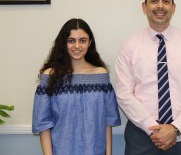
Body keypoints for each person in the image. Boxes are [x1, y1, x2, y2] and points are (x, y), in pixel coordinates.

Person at [115, 0, 181, 154]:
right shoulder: (130, 45)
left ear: (173, 7)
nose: (160, 6)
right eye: (154, 1)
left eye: (166, 1)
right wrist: (151, 128)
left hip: (180, 133)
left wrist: (175, 127)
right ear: (144, 7)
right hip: (141, 133)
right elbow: (124, 93)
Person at [32, 18, 121, 155]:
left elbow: (107, 121)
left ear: (89, 42)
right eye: (71, 40)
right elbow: (44, 124)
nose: (77, 46)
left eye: (83, 40)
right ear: (64, 43)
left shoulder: (101, 75)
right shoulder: (49, 76)